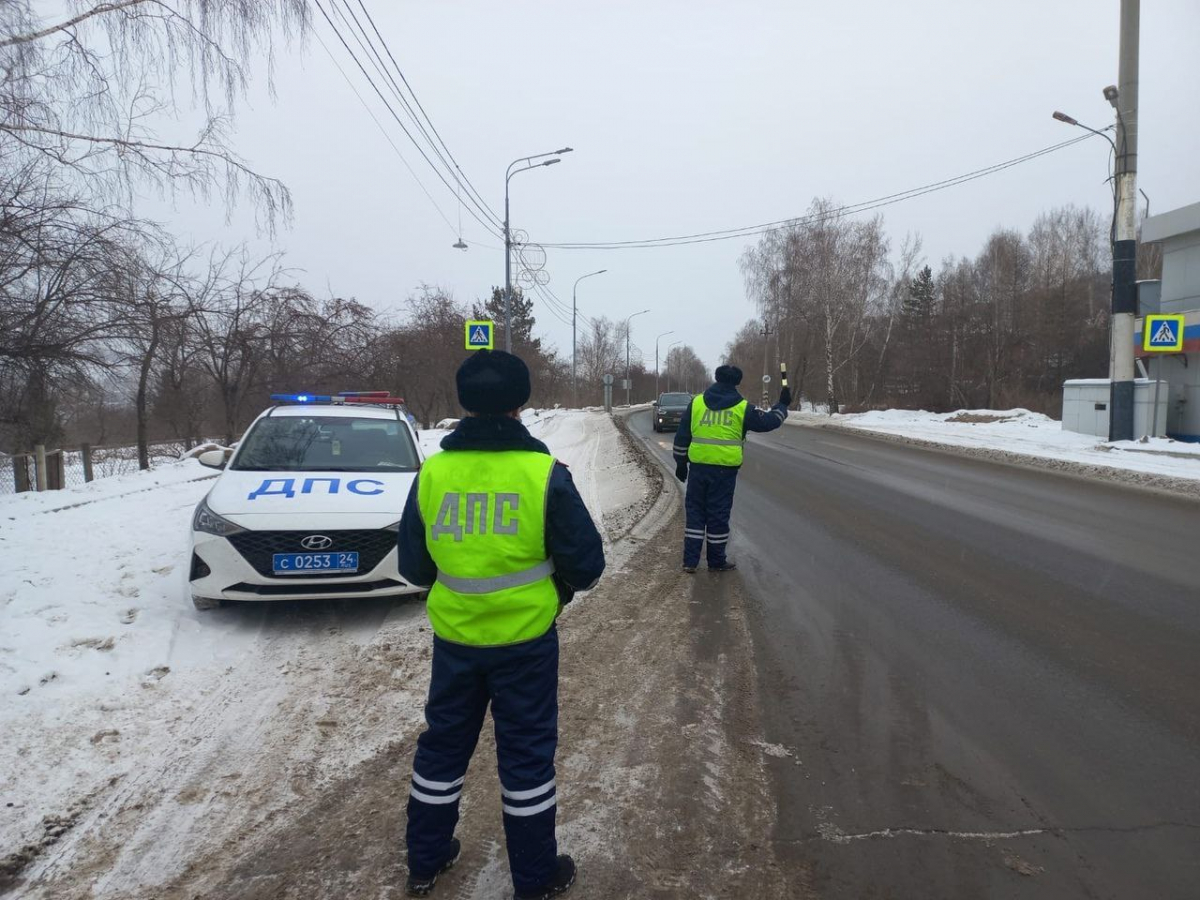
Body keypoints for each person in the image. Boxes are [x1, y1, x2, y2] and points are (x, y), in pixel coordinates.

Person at [397, 349, 605, 900]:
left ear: (465, 403)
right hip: (526, 646)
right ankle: (535, 879)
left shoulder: (433, 472)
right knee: (526, 758)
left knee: (442, 748)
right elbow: (587, 567)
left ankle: (425, 861)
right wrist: (555, 590)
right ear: (521, 404)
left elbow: (413, 567)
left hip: (456, 643)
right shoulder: (544, 474)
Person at [672, 364, 790, 572]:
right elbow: (770, 422)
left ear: (716, 378)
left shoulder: (696, 403)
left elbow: (682, 436)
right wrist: (782, 405)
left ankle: (690, 561)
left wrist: (681, 464)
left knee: (696, 513)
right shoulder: (742, 407)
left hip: (698, 468)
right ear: (737, 382)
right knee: (718, 514)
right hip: (724, 472)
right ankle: (716, 561)